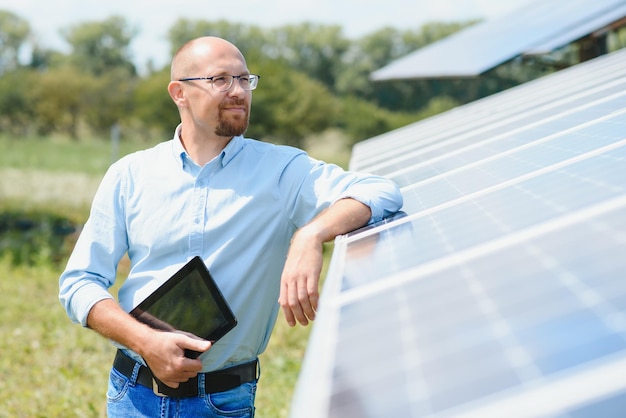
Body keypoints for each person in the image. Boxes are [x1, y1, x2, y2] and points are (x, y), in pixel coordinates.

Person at [59, 36, 403, 417]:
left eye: (244, 79)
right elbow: (79, 283)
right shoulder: (130, 174)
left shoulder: (282, 170)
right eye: (220, 79)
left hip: (222, 402)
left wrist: (311, 235)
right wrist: (144, 341)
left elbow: (380, 191)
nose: (238, 91)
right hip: (131, 395)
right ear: (180, 93)